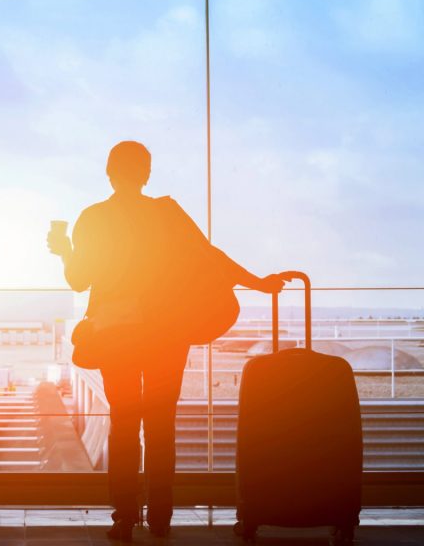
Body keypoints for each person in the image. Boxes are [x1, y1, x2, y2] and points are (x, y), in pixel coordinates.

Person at [47, 140, 284, 542]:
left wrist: (64, 249)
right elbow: (210, 256)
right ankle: (160, 517)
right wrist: (258, 283)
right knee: (160, 426)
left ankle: (124, 518)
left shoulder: (94, 217)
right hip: (166, 335)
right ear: (147, 174)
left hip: (117, 335)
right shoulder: (167, 214)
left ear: (109, 172)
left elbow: (78, 280)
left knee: (123, 425)